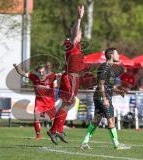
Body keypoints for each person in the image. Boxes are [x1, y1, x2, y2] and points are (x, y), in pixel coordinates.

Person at [47, 4, 85, 145]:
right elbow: (74, 34)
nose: (80, 34)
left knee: (69, 103)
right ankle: (53, 130)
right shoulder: (70, 43)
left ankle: (59, 129)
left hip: (74, 78)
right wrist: (79, 19)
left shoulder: (77, 45)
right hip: (69, 78)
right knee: (66, 104)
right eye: (79, 32)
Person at [80, 48, 130, 150]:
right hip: (103, 97)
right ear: (111, 55)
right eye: (117, 53)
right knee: (111, 119)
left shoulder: (110, 69)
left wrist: (119, 91)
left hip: (102, 97)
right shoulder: (105, 67)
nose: (118, 55)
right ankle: (117, 145)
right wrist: (105, 98)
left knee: (96, 120)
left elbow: (108, 85)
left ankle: (84, 143)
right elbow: (101, 84)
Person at [13, 63, 56, 140]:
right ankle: (38, 136)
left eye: (42, 72)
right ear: (37, 72)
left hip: (50, 101)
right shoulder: (34, 77)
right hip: (39, 101)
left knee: (53, 119)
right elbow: (22, 73)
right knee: (36, 118)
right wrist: (16, 67)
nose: (41, 73)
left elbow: (61, 76)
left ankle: (53, 134)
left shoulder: (51, 76)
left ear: (45, 72)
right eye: (39, 72)